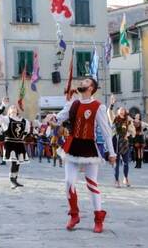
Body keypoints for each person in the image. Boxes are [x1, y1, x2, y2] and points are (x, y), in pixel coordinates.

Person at [56, 77, 116, 233]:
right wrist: (52, 118)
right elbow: (59, 118)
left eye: (86, 82)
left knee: (91, 184)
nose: (82, 83)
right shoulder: (73, 104)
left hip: (89, 147)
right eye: (82, 82)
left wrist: (112, 152)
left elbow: (106, 131)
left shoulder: (98, 107)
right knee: (69, 182)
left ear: (91, 88)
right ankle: (74, 214)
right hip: (72, 146)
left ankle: (98, 219)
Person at [0, 101, 30, 188]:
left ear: (17, 110)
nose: (13, 108)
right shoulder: (7, 119)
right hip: (10, 144)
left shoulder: (23, 120)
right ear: (9, 111)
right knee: (14, 162)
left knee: (18, 163)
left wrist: (23, 137)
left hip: (19, 143)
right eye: (11, 108)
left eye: (15, 107)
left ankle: (15, 179)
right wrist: (3, 105)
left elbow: (27, 131)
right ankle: (12, 180)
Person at [108, 95, 135, 188]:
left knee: (126, 162)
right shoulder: (114, 119)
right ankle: (116, 180)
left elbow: (133, 131)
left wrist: (129, 134)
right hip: (116, 141)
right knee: (117, 162)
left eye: (123, 109)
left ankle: (126, 178)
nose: (122, 110)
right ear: (118, 111)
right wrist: (111, 104)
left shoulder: (128, 120)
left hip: (125, 142)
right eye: (120, 109)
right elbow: (110, 113)